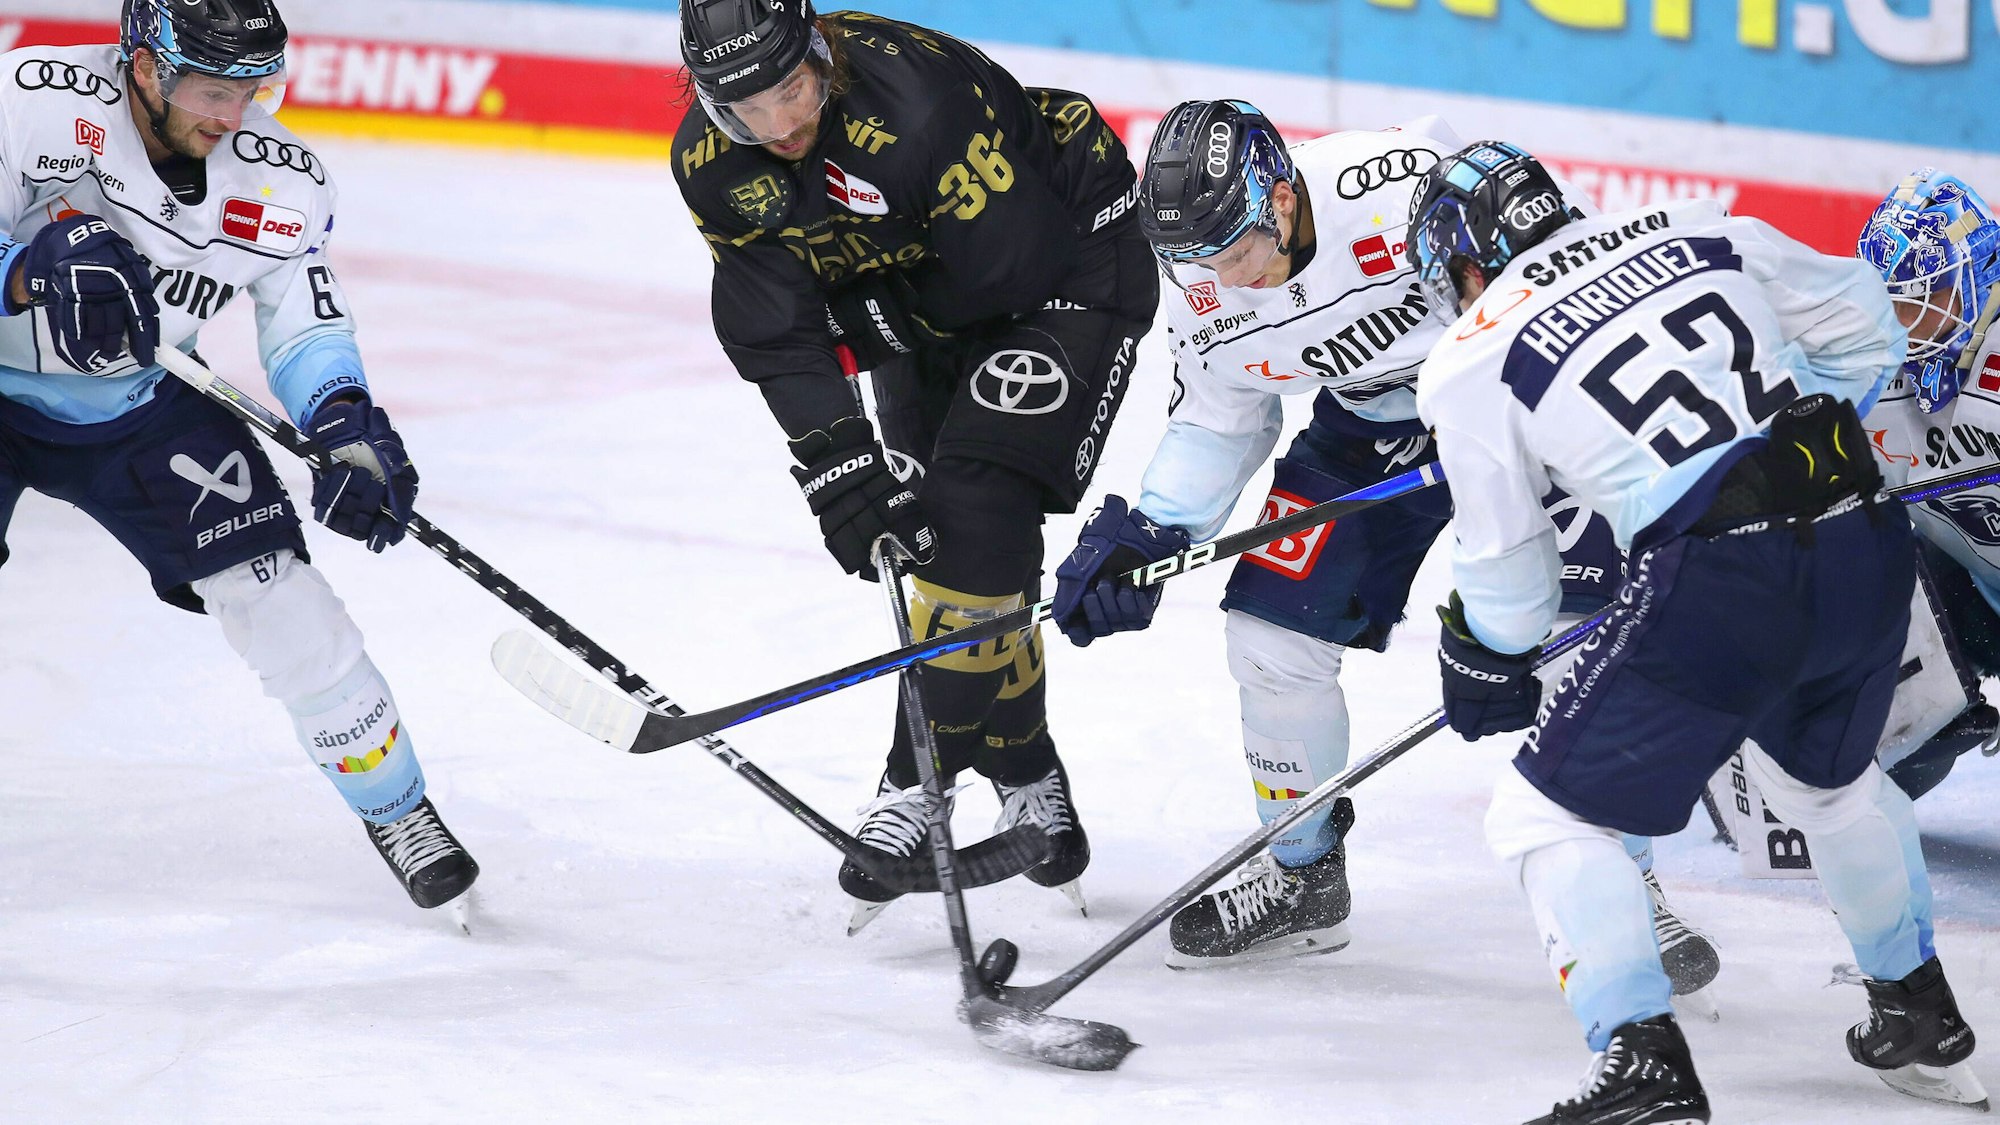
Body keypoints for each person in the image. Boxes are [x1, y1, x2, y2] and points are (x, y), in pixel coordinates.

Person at [1048, 100, 1716, 992]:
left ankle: (1623, 882)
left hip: (1523, 408)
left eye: (1235, 250)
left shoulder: (1398, 186)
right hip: (1369, 433)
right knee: (1269, 642)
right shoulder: (1204, 278)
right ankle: (1303, 871)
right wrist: (1153, 531)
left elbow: (1565, 269)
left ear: (1281, 198)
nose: (1224, 279)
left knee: (1573, 643)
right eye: (1196, 260)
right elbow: (1221, 413)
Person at [1410, 140, 1982, 1120]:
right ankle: (1918, 1016)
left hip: (1726, 579)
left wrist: (1476, 650)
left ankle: (1641, 1062)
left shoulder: (1465, 359)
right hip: (1861, 538)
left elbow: (1509, 585)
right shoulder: (1697, 222)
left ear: (1463, 261)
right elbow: (1860, 322)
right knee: (1829, 786)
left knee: (1543, 817)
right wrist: (1763, 450)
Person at [671, 0, 1158, 929]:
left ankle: (916, 775)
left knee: (975, 501)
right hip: (910, 279)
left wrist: (861, 323)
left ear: (821, 55)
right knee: (944, 534)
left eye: (793, 89)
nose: (781, 125)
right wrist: (836, 463)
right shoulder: (707, 166)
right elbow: (777, 330)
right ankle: (1022, 761)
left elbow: (1010, 271)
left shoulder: (919, 105)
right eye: (746, 110)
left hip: (1063, 260)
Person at [0, 1, 476, 911]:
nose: (234, 113)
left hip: (141, 409)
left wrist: (343, 421)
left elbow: (306, 327)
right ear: (144, 66)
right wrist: (25, 272)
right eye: (214, 89)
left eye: (254, 88)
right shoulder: (31, 101)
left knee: (282, 599)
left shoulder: (286, 180)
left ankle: (398, 807)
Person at [1855, 169, 2000, 798]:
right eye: (1889, 302)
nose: (1902, 323)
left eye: (1921, 299)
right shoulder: (1865, 361)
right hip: (1971, 589)